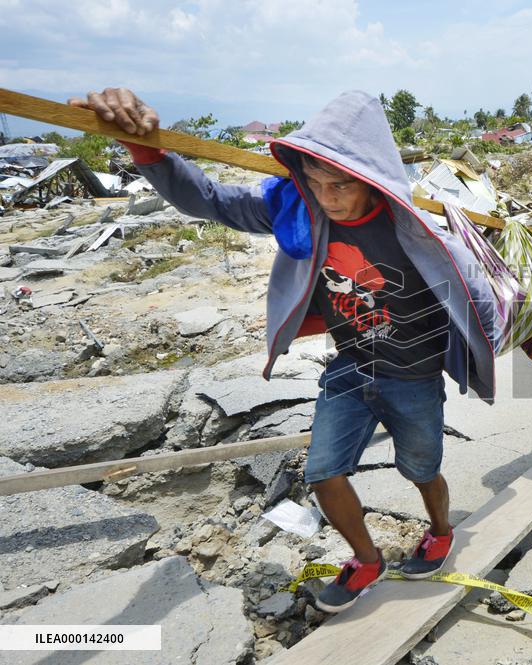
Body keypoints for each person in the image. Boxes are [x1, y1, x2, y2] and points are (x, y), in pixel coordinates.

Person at [69, 88, 499, 613]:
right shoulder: (299, 211)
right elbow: (210, 199)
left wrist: (484, 350)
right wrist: (147, 151)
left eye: (340, 184)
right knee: (322, 471)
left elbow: (484, 299)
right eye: (316, 183)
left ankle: (439, 529)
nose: (329, 196)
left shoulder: (419, 230)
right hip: (350, 366)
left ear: (369, 179)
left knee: (420, 468)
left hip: (412, 376)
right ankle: (366, 559)